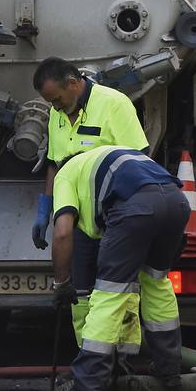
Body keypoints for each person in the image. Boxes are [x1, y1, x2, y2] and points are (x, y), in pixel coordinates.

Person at [48, 145, 187, 391]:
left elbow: (63, 232)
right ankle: (169, 376)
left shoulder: (66, 173)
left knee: (109, 293)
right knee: (157, 284)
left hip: (136, 209)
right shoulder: (114, 158)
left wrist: (62, 283)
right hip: (176, 203)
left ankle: (85, 390)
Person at [31, 57, 149, 342]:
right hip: (79, 221)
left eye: (57, 99)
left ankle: (123, 360)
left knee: (116, 292)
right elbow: (54, 163)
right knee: (80, 294)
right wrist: (45, 208)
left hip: (114, 219)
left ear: (73, 83)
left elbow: (139, 162)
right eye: (51, 102)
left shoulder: (114, 104)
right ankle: (88, 358)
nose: (55, 107)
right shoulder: (56, 113)